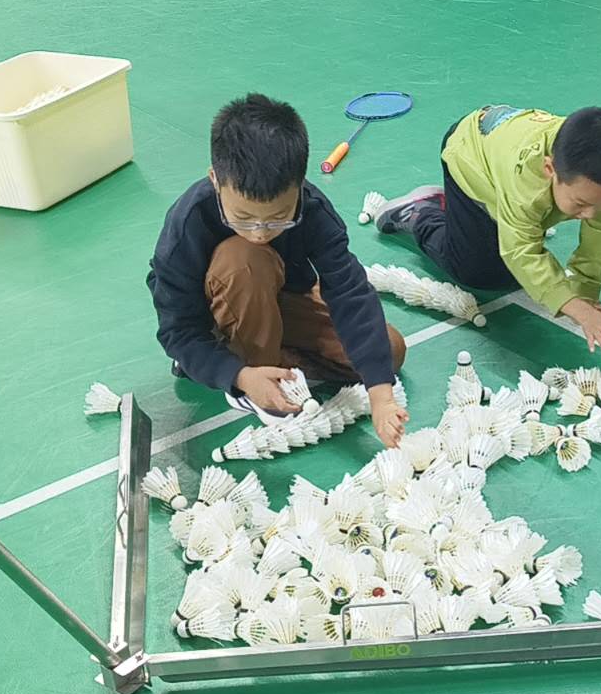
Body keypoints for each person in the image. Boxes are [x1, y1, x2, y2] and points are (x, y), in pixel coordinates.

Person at [147, 94, 408, 447]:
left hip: (280, 295)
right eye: (243, 218)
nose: (260, 232)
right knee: (246, 258)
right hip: (220, 305)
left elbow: (349, 294)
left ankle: (253, 355)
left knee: (388, 352)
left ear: (299, 186)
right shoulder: (187, 224)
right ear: (215, 180)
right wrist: (239, 375)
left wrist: (382, 397)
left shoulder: (314, 210)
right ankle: (250, 374)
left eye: (278, 218)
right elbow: (177, 331)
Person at [363, 105, 601, 353]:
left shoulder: (598, 172)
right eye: (581, 203)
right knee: (481, 273)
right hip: (468, 156)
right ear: (549, 169)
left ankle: (469, 217)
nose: (591, 214)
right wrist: (580, 311)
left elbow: (600, 232)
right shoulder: (525, 182)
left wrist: (586, 292)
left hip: (500, 151)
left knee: (530, 263)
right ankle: (423, 212)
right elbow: (520, 251)